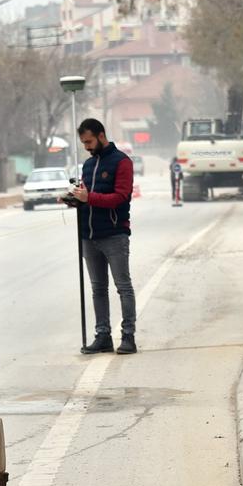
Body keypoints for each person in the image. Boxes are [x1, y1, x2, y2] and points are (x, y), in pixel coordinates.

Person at [67, 118, 137, 355]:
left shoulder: (122, 162)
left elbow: (121, 197)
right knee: (98, 288)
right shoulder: (87, 165)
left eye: (88, 141)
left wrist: (90, 199)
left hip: (114, 234)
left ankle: (128, 336)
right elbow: (87, 196)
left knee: (123, 287)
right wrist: (74, 199)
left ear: (100, 135)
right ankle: (103, 336)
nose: (86, 146)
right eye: (83, 143)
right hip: (88, 235)